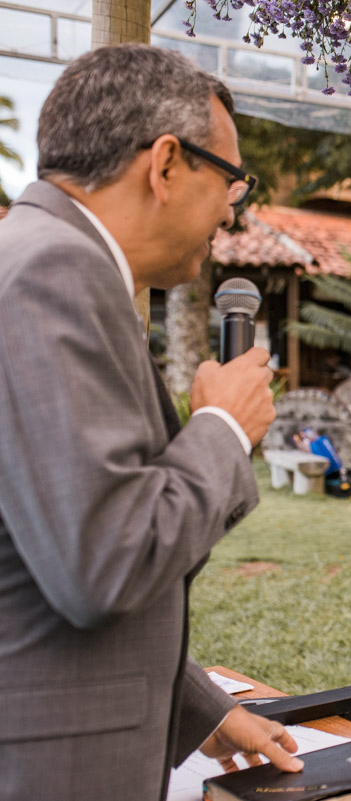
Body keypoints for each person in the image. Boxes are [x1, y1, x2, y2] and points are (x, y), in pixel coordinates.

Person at [0, 45, 303, 801]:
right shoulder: (53, 274)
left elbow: (36, 564)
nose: (234, 209)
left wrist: (202, 711)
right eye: (231, 180)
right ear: (166, 164)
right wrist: (222, 427)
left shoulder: (46, 260)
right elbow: (101, 560)